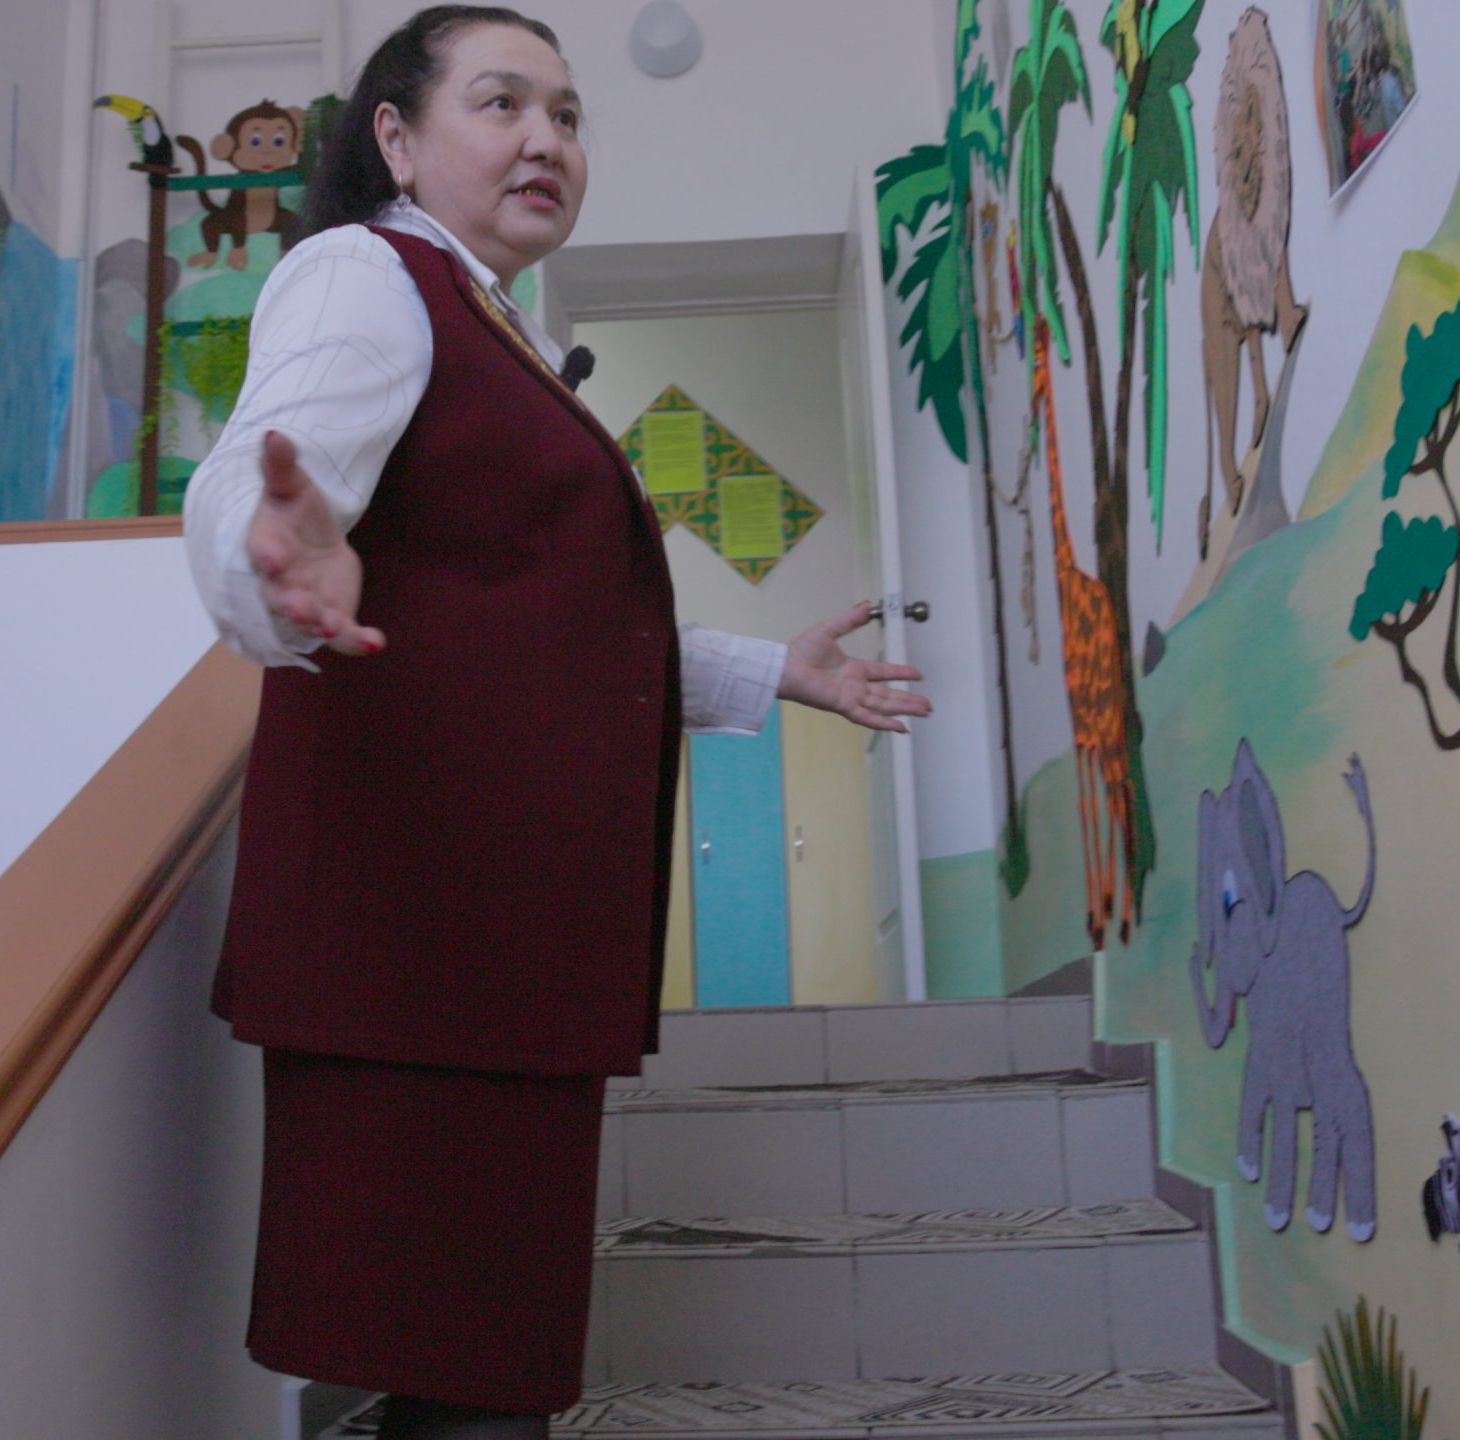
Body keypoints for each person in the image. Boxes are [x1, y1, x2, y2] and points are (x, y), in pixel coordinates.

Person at [178, 9, 931, 1439]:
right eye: (502, 102)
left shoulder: (497, 327)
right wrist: (276, 556)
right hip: (417, 941)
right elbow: (259, 477)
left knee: (477, 1380)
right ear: (397, 139)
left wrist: (775, 672)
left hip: (491, 944)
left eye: (569, 116)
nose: (546, 139)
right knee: (471, 1389)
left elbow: (545, 627)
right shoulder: (363, 271)